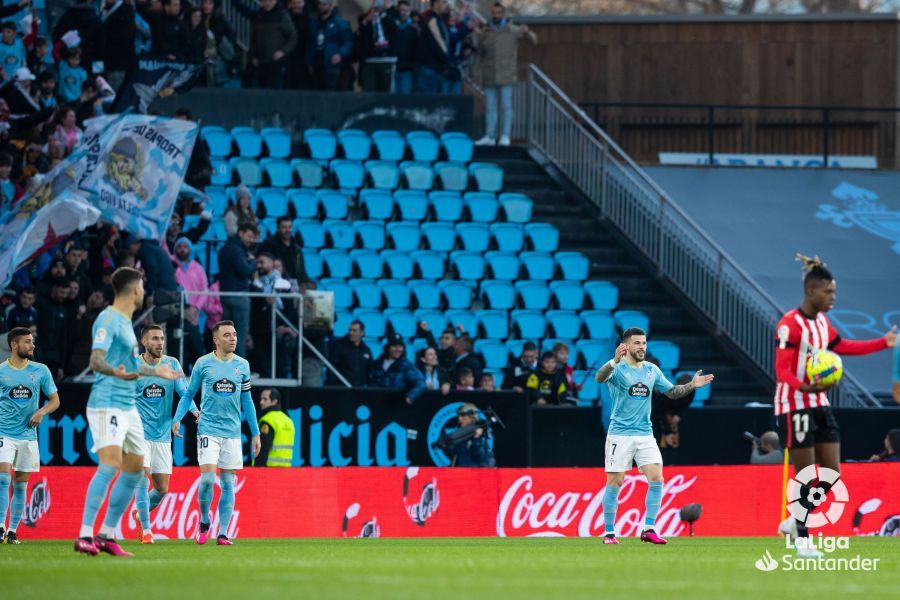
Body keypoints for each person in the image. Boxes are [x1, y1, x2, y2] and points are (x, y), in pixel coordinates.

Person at [774, 255, 896, 557]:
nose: (833, 298)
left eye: (834, 292)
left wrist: (883, 342)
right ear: (812, 290)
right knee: (805, 476)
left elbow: (844, 347)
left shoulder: (823, 325)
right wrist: (806, 386)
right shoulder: (790, 325)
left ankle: (793, 521)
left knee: (831, 474)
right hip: (795, 405)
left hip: (820, 403)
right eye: (828, 292)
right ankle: (803, 539)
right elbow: (782, 370)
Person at [74, 267, 181, 557]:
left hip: (127, 407)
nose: (144, 292)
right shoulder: (108, 319)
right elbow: (96, 361)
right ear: (135, 290)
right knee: (110, 465)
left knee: (134, 471)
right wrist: (116, 373)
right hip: (107, 402)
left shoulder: (125, 322)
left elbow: (132, 366)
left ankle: (107, 534)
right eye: (142, 287)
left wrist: (154, 370)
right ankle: (85, 534)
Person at [594, 327, 713, 545]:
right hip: (620, 434)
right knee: (615, 481)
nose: (642, 347)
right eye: (637, 343)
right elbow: (599, 378)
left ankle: (648, 528)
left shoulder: (651, 370)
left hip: (645, 434)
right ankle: (609, 533)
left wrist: (691, 385)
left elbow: (673, 392)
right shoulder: (617, 369)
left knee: (657, 478)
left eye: (644, 343)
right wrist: (613, 361)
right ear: (626, 346)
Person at [172, 320, 260, 546]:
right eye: (228, 335)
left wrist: (256, 433)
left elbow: (247, 401)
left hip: (232, 433)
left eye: (235, 334)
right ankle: (203, 519)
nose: (233, 338)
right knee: (209, 479)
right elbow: (189, 393)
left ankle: (223, 533)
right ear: (216, 339)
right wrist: (177, 418)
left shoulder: (242, 365)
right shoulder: (203, 364)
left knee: (229, 484)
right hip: (208, 430)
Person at [130, 325, 196, 544]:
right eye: (155, 339)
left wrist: (195, 411)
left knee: (161, 489)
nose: (160, 343)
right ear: (144, 342)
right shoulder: (134, 367)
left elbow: (184, 392)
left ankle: (140, 514)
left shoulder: (172, 364)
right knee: (142, 477)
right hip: (139, 435)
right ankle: (147, 531)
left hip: (162, 436)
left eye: (162, 339)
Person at [0, 327, 60, 544]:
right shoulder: (1, 371)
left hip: (28, 436)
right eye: (27, 342)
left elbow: (55, 400)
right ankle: (0, 526)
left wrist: (41, 412)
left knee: (20, 484)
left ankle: (12, 530)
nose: (32, 345)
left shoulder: (41, 370)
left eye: (32, 341)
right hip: (3, 432)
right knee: (3, 478)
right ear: (14, 345)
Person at [474, 2, 536, 146]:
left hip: (506, 74)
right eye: (493, 13)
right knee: (490, 107)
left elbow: (533, 41)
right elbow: (480, 53)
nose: (495, 16)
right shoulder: (486, 32)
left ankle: (505, 135)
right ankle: (489, 135)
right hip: (490, 74)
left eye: (498, 13)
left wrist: (526, 32)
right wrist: (477, 72)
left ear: (504, 14)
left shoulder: (513, 30)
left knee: (506, 106)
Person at [218, 222, 258, 358]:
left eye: (253, 237)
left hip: (224, 295)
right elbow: (245, 270)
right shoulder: (236, 249)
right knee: (239, 335)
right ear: (240, 233)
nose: (251, 240)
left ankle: (225, 368)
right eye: (249, 236)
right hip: (238, 297)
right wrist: (254, 262)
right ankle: (239, 371)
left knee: (226, 334)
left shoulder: (225, 248)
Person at [172, 237, 208, 367]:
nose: (182, 250)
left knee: (196, 349)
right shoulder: (171, 264)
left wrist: (196, 307)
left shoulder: (197, 268)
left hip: (192, 315)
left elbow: (204, 289)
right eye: (179, 247)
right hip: (175, 313)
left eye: (185, 247)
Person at [248, 0, 297, 89]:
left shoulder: (282, 16)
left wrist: (283, 51)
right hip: (261, 63)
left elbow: (293, 37)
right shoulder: (258, 17)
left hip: (277, 63)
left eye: (269, 1)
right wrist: (253, 56)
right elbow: (253, 39)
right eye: (264, 1)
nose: (267, 4)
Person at [306, 0, 352, 91]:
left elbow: (348, 43)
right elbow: (310, 43)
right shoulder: (313, 23)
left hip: (331, 63)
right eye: (319, 4)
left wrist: (340, 54)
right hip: (316, 63)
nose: (321, 7)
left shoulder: (340, 23)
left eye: (324, 4)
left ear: (331, 6)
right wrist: (309, 61)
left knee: (331, 89)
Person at [368, 335, 425, 404]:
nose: (398, 349)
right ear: (388, 348)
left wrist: (410, 396)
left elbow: (420, 382)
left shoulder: (406, 366)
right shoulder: (377, 364)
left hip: (397, 406)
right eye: (394, 346)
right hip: (377, 404)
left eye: (400, 346)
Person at [356, 0, 398, 92]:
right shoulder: (366, 18)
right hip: (370, 60)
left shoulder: (391, 15)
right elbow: (359, 36)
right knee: (369, 90)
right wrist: (367, 20)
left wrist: (387, 10)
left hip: (387, 59)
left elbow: (395, 30)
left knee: (386, 91)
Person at [259, 216, 309, 284]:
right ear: (278, 228)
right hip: (275, 284)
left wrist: (305, 283)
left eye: (289, 227)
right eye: (284, 227)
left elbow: (300, 269)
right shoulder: (268, 245)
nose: (287, 230)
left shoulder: (297, 248)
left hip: (294, 285)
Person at [415, 0, 451, 94]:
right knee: (428, 103)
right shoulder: (432, 19)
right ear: (436, 3)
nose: (446, 5)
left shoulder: (438, 19)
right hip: (430, 69)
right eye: (444, 2)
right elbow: (438, 42)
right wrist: (447, 61)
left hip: (436, 68)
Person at [255, 388, 295, 467]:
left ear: (274, 401)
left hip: (269, 470)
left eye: (265, 399)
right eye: (261, 399)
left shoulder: (267, 420)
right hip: (286, 469)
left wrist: (258, 469)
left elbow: (263, 448)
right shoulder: (288, 420)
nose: (261, 402)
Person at [326, 319, 372, 387]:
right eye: (350, 330)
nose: (351, 333)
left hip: (358, 391)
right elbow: (331, 368)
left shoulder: (366, 350)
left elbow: (369, 372)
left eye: (354, 330)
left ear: (362, 333)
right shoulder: (339, 346)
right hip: (341, 390)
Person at [390, 0, 417, 93]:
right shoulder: (391, 27)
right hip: (392, 69)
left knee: (404, 100)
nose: (404, 13)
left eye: (407, 10)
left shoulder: (413, 30)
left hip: (407, 70)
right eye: (402, 10)